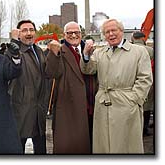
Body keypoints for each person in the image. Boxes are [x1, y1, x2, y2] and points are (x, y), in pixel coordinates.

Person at [80, 19, 153, 153]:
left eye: (114, 30)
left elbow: (145, 78)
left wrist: (134, 99)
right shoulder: (99, 52)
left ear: (122, 31)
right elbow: (88, 70)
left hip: (127, 104)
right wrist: (85, 55)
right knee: (104, 145)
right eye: (107, 32)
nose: (111, 34)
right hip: (103, 104)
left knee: (126, 145)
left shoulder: (139, 52)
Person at [45, 21, 91, 154]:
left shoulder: (88, 50)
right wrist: (54, 54)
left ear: (81, 34)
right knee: (68, 145)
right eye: (69, 33)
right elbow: (52, 73)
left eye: (76, 32)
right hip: (68, 105)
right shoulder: (59, 51)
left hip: (89, 104)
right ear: (64, 35)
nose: (73, 35)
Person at [8, 20, 49, 154]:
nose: (29, 33)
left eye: (31, 30)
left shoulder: (39, 51)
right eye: (24, 30)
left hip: (39, 109)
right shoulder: (15, 51)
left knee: (40, 148)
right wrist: (13, 42)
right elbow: (9, 64)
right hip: (21, 109)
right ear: (18, 34)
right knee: (17, 147)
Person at [131, 31, 154, 137]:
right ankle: (145, 128)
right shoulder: (150, 50)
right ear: (143, 38)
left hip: (131, 82)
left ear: (133, 38)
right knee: (147, 106)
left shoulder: (129, 49)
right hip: (146, 81)